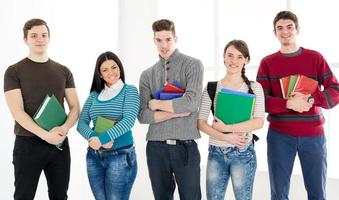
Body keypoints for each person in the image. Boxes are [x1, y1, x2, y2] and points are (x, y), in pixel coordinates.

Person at [256, 11, 339, 200]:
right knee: (279, 194)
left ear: (297, 29)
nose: (285, 31)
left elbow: (335, 90)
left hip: (314, 136)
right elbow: (261, 101)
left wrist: (311, 99)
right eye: (280, 28)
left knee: (317, 193)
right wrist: (288, 103)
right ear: (274, 32)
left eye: (289, 26)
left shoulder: (315, 58)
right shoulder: (267, 63)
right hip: (280, 136)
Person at [3, 18, 80, 200]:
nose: (40, 39)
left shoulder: (64, 71)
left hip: (59, 143)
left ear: (49, 38)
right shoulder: (14, 71)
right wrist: (45, 135)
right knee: (23, 196)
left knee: (59, 196)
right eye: (34, 35)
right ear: (25, 40)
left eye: (44, 35)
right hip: (28, 143)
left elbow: (75, 106)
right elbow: (17, 112)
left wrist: (64, 128)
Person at [138, 19, 204, 200]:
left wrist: (157, 104)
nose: (163, 45)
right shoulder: (146, 75)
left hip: (186, 145)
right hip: (156, 147)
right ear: (154, 41)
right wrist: (179, 112)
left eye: (168, 39)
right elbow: (143, 115)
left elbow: (191, 102)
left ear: (176, 38)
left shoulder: (193, 65)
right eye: (159, 40)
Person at [198, 40, 265, 200]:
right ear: (224, 57)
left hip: (243, 153)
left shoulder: (254, 88)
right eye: (230, 55)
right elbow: (200, 122)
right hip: (216, 153)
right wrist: (226, 136)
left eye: (239, 56)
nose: (234, 60)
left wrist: (227, 127)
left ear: (246, 60)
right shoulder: (212, 88)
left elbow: (258, 121)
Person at [77, 51, 140, 200]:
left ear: (120, 68)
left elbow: (129, 120)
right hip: (94, 156)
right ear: (100, 74)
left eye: (114, 67)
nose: (111, 72)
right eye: (105, 70)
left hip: (120, 155)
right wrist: (94, 138)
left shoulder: (129, 91)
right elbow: (82, 123)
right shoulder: (94, 95)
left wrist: (104, 138)